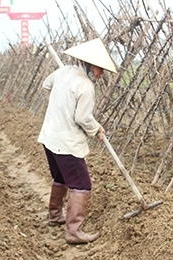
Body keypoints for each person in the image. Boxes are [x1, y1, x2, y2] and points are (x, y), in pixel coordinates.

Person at [38, 38, 117, 245]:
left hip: (49, 136)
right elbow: (82, 118)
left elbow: (45, 86)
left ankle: (55, 215)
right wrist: (96, 129)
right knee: (81, 184)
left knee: (61, 177)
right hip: (67, 143)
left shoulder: (62, 72)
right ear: (91, 65)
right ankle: (74, 231)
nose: (101, 74)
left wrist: (58, 106)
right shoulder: (85, 85)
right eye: (100, 69)